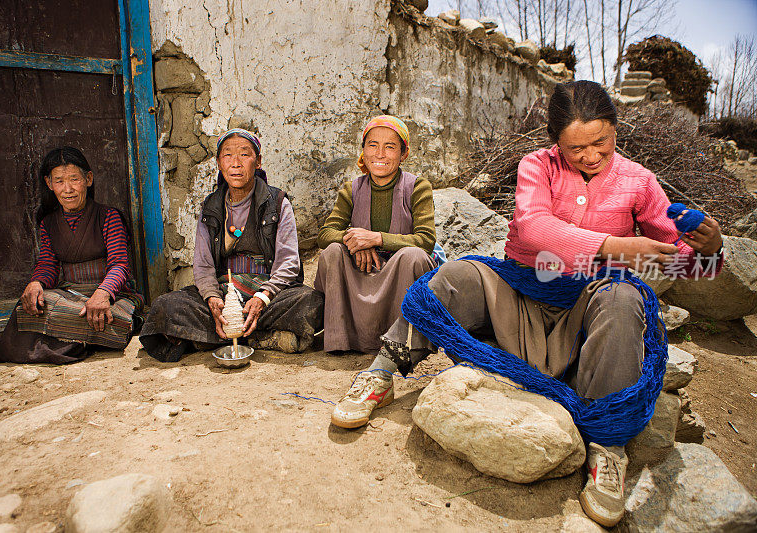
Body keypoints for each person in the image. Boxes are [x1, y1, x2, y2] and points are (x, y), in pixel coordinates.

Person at [330, 82, 724, 528]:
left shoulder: (639, 182)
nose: (591, 156)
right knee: (454, 276)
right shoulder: (536, 166)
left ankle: (607, 448)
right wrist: (614, 245)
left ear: (616, 128)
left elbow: (680, 263)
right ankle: (380, 372)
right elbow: (535, 229)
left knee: (625, 297)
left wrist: (708, 251)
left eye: (602, 141)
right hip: (520, 295)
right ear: (555, 142)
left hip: (586, 312)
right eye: (576, 148)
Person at [140, 129, 323, 361]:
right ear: (218, 163)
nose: (236, 163)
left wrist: (262, 297)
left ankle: (210, 337)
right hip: (225, 290)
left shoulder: (277, 203)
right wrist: (213, 299)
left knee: (312, 302)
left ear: (258, 162)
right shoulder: (211, 206)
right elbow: (203, 265)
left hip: (268, 293)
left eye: (244, 155)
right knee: (166, 305)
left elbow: (288, 263)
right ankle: (260, 336)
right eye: (228, 156)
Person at [0, 147, 144, 366]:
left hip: (111, 295)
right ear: (49, 184)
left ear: (88, 179)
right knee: (32, 304)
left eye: (74, 179)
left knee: (108, 314)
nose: (68, 189)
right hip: (71, 297)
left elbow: (120, 264)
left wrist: (103, 293)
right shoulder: (48, 223)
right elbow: (48, 265)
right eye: (59, 181)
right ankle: (85, 338)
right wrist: (36, 283)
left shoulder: (108, 216)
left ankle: (73, 337)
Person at [314, 115, 437, 354]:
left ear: (404, 154)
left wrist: (377, 238)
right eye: (373, 145)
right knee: (332, 252)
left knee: (413, 256)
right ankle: (342, 340)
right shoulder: (352, 190)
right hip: (363, 270)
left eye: (390, 147)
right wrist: (357, 242)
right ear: (363, 150)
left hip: (398, 275)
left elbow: (426, 240)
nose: (380, 154)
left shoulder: (418, 188)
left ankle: (402, 342)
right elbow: (325, 234)